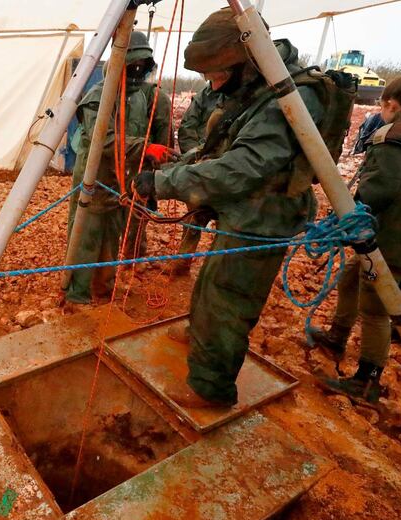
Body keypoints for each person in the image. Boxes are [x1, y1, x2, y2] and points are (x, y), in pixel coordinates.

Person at [134, 9, 325, 407]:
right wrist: (173, 170)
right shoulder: (257, 89)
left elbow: (243, 167)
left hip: (264, 219)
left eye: (215, 74)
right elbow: (220, 150)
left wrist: (166, 182)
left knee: (229, 301)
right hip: (245, 210)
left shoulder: (288, 95)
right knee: (212, 283)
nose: (211, 83)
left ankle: (210, 389)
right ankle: (201, 336)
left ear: (243, 61)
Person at [310, 67, 401, 403]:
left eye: (384, 103)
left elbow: (378, 190)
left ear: (394, 104)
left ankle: (368, 380)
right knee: (351, 280)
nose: (382, 110)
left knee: (377, 308)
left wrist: (346, 213)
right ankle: (337, 335)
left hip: (388, 239)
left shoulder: (396, 138)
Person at [65, 31, 172, 305]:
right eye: (132, 64)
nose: (137, 70)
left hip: (120, 183)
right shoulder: (98, 96)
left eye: (142, 65)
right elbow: (104, 139)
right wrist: (145, 147)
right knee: (86, 238)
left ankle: (104, 290)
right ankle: (77, 296)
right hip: (95, 181)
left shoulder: (138, 97)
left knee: (112, 239)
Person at [173, 83, 225, 275]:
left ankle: (217, 270)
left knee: (226, 224)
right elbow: (187, 127)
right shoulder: (206, 95)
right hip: (202, 167)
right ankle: (183, 261)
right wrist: (197, 159)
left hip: (231, 170)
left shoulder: (249, 93)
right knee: (194, 219)